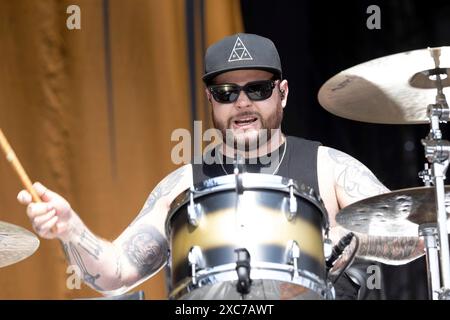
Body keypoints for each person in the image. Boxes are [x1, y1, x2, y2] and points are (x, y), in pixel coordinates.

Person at [17, 33, 424, 299]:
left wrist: (339, 237)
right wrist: (72, 230)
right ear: (210, 100)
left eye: (258, 89)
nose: (243, 103)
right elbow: (116, 273)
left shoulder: (328, 167)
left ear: (282, 94)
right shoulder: (183, 186)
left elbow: (416, 234)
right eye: (226, 92)